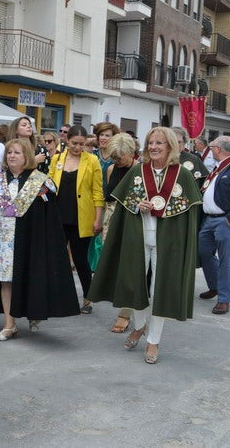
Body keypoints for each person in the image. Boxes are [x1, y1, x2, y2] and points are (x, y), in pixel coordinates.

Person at [89, 127, 202, 365]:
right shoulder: (137, 171)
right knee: (135, 285)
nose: (153, 147)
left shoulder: (183, 175)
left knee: (159, 290)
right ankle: (139, 326)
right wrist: (136, 205)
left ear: (170, 146)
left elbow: (188, 216)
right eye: (151, 142)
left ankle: (153, 340)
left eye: (159, 143)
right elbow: (123, 204)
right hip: (138, 238)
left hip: (167, 243)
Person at [0, 138, 80, 340]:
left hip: (31, 241)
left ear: (26, 156)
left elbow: (49, 218)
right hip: (3, 241)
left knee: (30, 277)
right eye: (9, 152)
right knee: (6, 282)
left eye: (17, 152)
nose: (11, 156)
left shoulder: (40, 181)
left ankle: (34, 312)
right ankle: (9, 325)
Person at [48, 124, 104, 314]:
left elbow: (98, 192)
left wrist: (98, 218)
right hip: (58, 216)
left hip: (82, 217)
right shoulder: (57, 159)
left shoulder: (92, 161)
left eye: (81, 144)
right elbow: (49, 185)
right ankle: (58, 296)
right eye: (74, 143)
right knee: (56, 258)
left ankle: (88, 298)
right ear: (67, 140)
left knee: (80, 259)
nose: (77, 147)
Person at [197, 136, 230, 315]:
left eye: (212, 146)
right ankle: (215, 286)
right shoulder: (221, 166)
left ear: (218, 149)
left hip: (225, 221)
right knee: (204, 253)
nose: (211, 149)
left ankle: (223, 299)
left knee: (225, 259)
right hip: (209, 219)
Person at [101, 133, 138, 333]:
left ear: (131, 152)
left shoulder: (139, 170)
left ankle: (125, 314)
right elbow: (108, 199)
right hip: (112, 221)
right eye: (113, 157)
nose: (116, 161)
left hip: (132, 221)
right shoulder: (111, 169)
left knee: (129, 269)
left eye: (119, 157)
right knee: (114, 267)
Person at [93, 122, 121, 195]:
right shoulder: (93, 155)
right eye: (101, 135)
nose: (103, 138)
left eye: (107, 135)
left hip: (111, 196)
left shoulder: (118, 157)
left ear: (114, 138)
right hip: (93, 196)